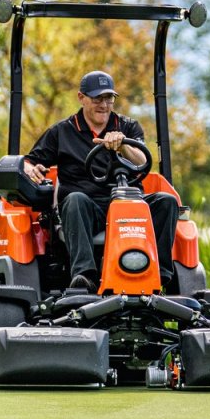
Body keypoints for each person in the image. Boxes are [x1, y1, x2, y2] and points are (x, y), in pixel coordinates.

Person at [22, 70, 178, 292]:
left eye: (108, 98)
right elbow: (28, 161)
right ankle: (85, 276)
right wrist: (31, 168)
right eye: (97, 98)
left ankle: (160, 275)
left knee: (167, 202)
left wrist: (123, 144)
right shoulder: (62, 132)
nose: (103, 105)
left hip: (128, 204)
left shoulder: (128, 127)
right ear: (81, 97)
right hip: (88, 208)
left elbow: (143, 159)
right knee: (75, 199)